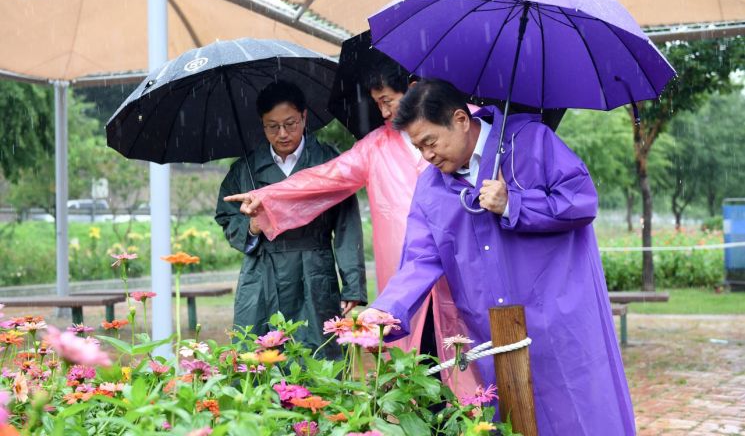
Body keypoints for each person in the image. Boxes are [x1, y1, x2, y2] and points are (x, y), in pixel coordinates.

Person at [360, 79, 636, 435]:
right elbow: (420, 258)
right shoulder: (431, 187)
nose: (427, 156)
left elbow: (581, 200)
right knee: (514, 421)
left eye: (430, 142)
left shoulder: (532, 142)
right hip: (495, 331)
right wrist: (387, 309)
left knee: (580, 417)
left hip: (559, 321)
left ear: (460, 119)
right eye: (418, 148)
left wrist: (514, 204)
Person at [223, 59, 480, 395]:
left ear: (413, 91)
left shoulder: (464, 124)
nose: (384, 112)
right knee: (416, 368)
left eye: (387, 101)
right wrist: (268, 196)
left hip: (466, 268)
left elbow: (345, 226)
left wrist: (352, 285)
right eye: (378, 104)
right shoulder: (375, 146)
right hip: (407, 273)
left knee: (475, 361)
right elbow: (326, 179)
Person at [215, 80, 366, 359]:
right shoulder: (245, 169)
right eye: (272, 126)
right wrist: (252, 226)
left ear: (304, 117)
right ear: (262, 124)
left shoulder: (327, 161)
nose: (283, 134)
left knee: (319, 358)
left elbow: (347, 226)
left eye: (290, 123)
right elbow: (225, 217)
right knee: (257, 359)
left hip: (314, 269)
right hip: (262, 272)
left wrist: (353, 284)